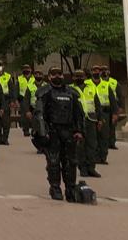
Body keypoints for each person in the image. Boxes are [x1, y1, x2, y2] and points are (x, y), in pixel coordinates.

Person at [36, 66, 84, 201]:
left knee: (70, 162)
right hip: (53, 132)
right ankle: (55, 188)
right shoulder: (44, 93)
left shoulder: (71, 93)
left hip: (69, 132)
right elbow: (39, 115)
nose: (57, 76)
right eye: (54, 74)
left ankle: (70, 188)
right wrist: (43, 133)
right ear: (49, 76)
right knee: (53, 162)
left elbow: (78, 114)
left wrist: (79, 130)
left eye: (60, 74)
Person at [71, 69, 101, 179]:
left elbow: (97, 104)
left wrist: (100, 119)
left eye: (81, 76)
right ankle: (82, 168)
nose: (79, 78)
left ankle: (91, 168)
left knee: (92, 145)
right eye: (77, 76)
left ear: (85, 77)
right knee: (80, 146)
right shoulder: (70, 89)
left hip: (91, 119)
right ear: (73, 77)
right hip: (77, 121)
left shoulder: (91, 88)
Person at [92, 65, 118, 165]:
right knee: (93, 136)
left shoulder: (106, 85)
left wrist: (115, 113)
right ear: (91, 72)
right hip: (92, 113)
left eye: (98, 70)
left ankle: (102, 157)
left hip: (104, 113)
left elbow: (113, 100)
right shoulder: (87, 84)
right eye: (94, 70)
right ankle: (93, 156)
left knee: (104, 136)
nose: (97, 72)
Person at [0, 59, 16, 145]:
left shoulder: (7, 76)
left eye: (0, 65)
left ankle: (5, 138)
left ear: (3, 67)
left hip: (6, 100)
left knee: (6, 121)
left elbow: (12, 89)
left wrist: (12, 100)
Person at [17, 65, 38, 138]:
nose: (26, 70)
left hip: (32, 98)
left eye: (27, 69)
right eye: (24, 69)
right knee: (24, 114)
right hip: (23, 98)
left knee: (33, 114)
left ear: (31, 70)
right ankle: (25, 130)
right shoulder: (20, 78)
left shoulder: (34, 78)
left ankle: (34, 128)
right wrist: (17, 97)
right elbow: (16, 88)